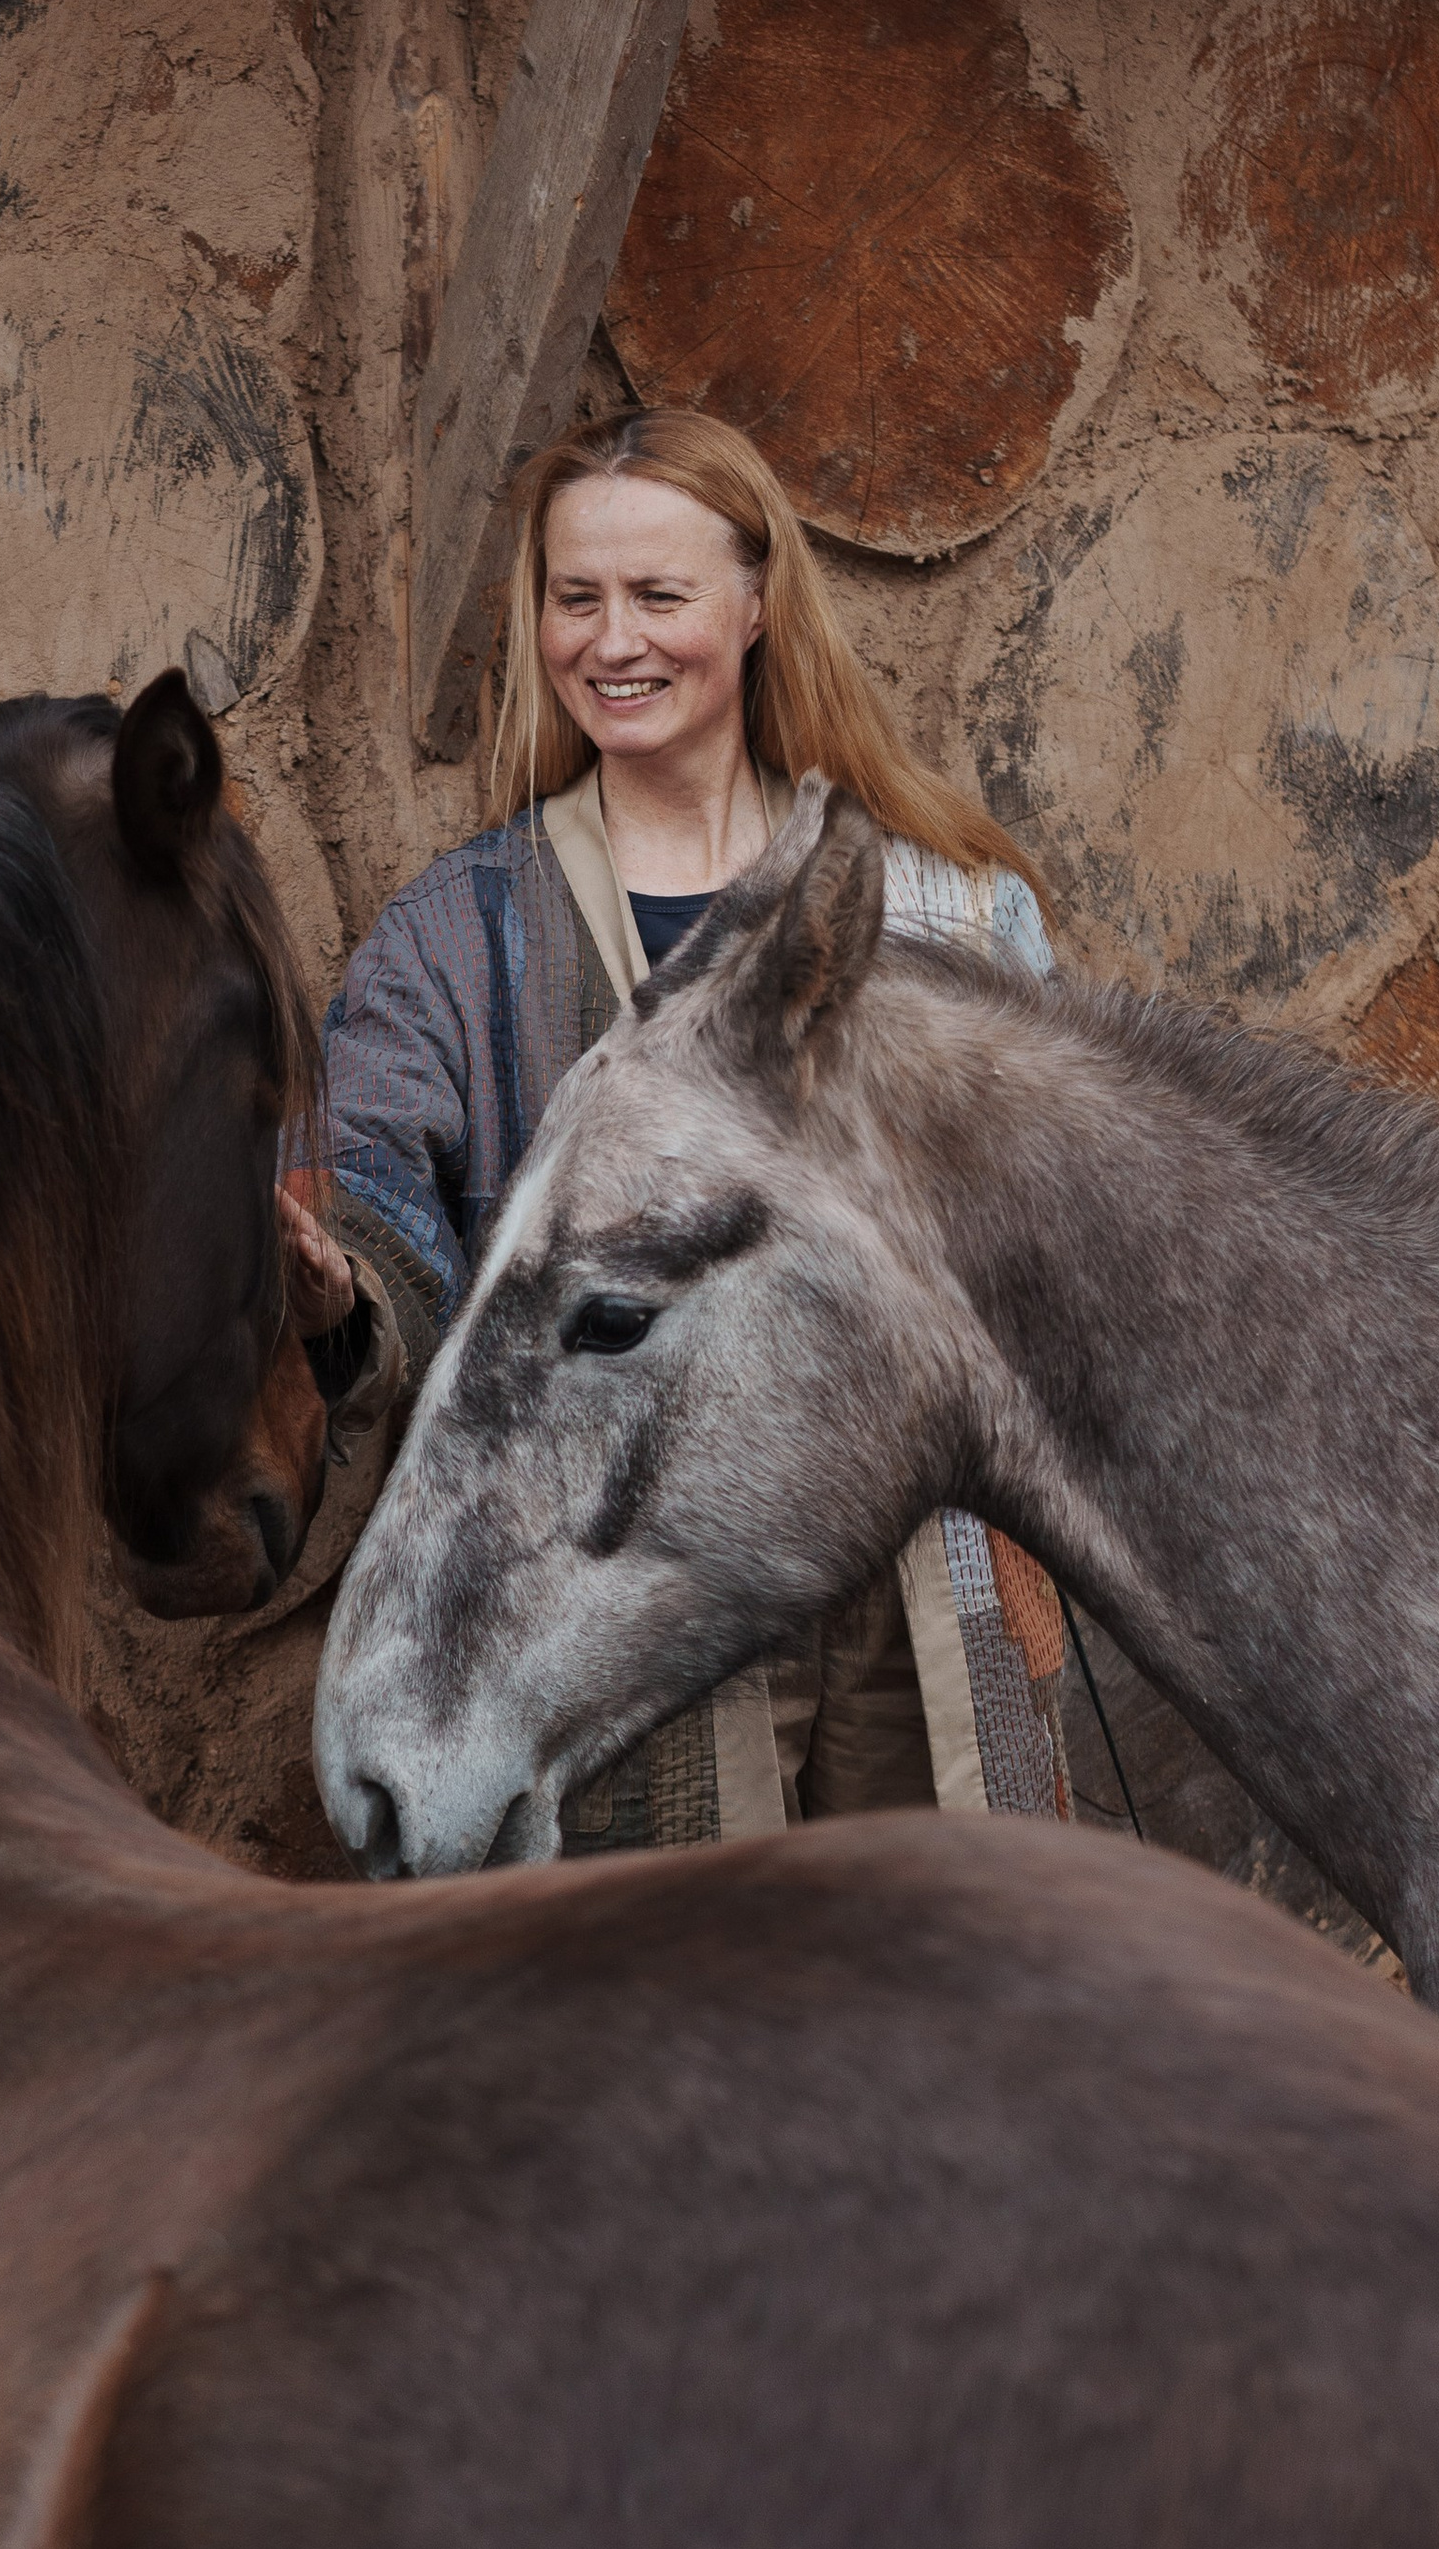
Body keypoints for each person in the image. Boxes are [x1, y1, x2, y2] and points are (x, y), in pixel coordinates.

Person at [296, 405, 1068, 1851]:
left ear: (759, 603)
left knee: (942, 1999)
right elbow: (378, 1204)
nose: (613, 640)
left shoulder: (949, 910)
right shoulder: (466, 937)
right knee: (705, 2025)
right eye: (575, 598)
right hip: (633, 1590)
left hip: (915, 1586)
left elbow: (1048, 1245)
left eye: (659, 596)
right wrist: (342, 1285)